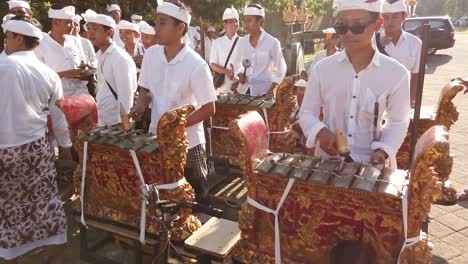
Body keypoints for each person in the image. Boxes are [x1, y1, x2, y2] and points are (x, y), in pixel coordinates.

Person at [299, 0, 410, 167]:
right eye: (342, 26)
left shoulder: (396, 74)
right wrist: (321, 133)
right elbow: (306, 112)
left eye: (358, 26)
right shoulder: (321, 69)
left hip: (370, 166)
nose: (348, 33)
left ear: (377, 24)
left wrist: (383, 150)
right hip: (327, 163)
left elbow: (398, 122)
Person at [0, 16, 71, 262]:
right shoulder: (50, 74)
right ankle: (53, 255)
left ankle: (10, 255)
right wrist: (67, 152)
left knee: (7, 210)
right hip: (36, 152)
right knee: (45, 207)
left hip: (4, 151)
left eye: (7, 37)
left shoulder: (2, 67)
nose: (5, 42)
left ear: (19, 39)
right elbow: (60, 121)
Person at [131, 0, 216, 200]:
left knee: (196, 199)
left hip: (188, 142)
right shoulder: (151, 55)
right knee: (161, 195)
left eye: (162, 23)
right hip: (156, 138)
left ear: (180, 28)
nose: (156, 29)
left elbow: (209, 108)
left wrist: (176, 126)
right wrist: (141, 104)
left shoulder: (196, 65)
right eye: (156, 23)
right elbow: (145, 88)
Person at [82, 10, 138, 127]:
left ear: (109, 32)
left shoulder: (119, 58)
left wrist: (123, 123)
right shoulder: (99, 56)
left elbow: (125, 94)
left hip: (116, 122)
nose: (90, 33)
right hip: (104, 118)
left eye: (95, 29)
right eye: (89, 29)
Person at [35, 5, 90, 97]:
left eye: (73, 22)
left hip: (81, 96)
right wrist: (65, 74)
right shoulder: (41, 44)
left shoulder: (75, 41)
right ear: (55, 22)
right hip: (57, 100)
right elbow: (38, 77)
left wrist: (86, 72)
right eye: (68, 22)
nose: (73, 26)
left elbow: (83, 66)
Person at [234, 3, 287, 96]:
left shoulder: (272, 42)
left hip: (263, 92)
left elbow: (282, 67)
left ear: (260, 21)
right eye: (245, 21)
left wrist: (272, 87)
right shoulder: (242, 42)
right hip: (242, 91)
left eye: (249, 20)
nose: (246, 24)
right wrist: (239, 75)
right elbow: (236, 63)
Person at [377, 0, 422, 107]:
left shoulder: (415, 43)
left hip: (402, 100)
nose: (390, 21)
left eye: (395, 17)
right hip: (377, 99)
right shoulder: (373, 41)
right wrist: (378, 45)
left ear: (404, 17)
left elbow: (415, 75)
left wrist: (411, 100)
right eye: (386, 17)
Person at [209, 6, 241, 94]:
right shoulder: (217, 42)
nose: (234, 24)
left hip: (240, 88)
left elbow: (249, 64)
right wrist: (227, 72)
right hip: (222, 87)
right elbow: (212, 64)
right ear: (224, 24)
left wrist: (239, 76)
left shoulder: (244, 42)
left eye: (236, 21)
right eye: (231, 21)